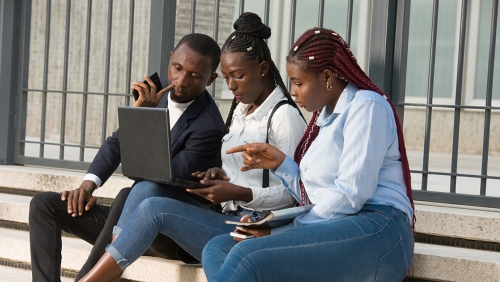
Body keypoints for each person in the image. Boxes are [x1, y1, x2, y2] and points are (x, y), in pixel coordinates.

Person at [77, 12, 307, 282]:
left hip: (258, 230)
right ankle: (110, 275)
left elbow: (295, 195)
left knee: (154, 208)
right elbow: (243, 171)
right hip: (230, 219)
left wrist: (239, 191)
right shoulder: (242, 110)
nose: (231, 86)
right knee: (144, 189)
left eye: (239, 76)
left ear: (264, 69)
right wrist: (220, 174)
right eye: (226, 77)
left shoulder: (285, 118)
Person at [202, 27, 416, 282]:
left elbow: (351, 195)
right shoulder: (322, 120)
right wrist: (281, 164)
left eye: (298, 83)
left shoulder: (367, 106)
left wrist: (280, 231)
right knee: (218, 247)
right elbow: (316, 194)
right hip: (335, 227)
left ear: (327, 77)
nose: (292, 92)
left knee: (247, 254)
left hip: (379, 230)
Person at [28, 33, 225, 282]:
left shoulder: (209, 126)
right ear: (171, 59)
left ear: (211, 79)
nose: (181, 80)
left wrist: (139, 119)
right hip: (129, 223)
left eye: (195, 75)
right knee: (45, 205)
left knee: (132, 192)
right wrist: (87, 186)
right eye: (177, 68)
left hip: (170, 234)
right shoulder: (156, 92)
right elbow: (117, 142)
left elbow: (158, 176)